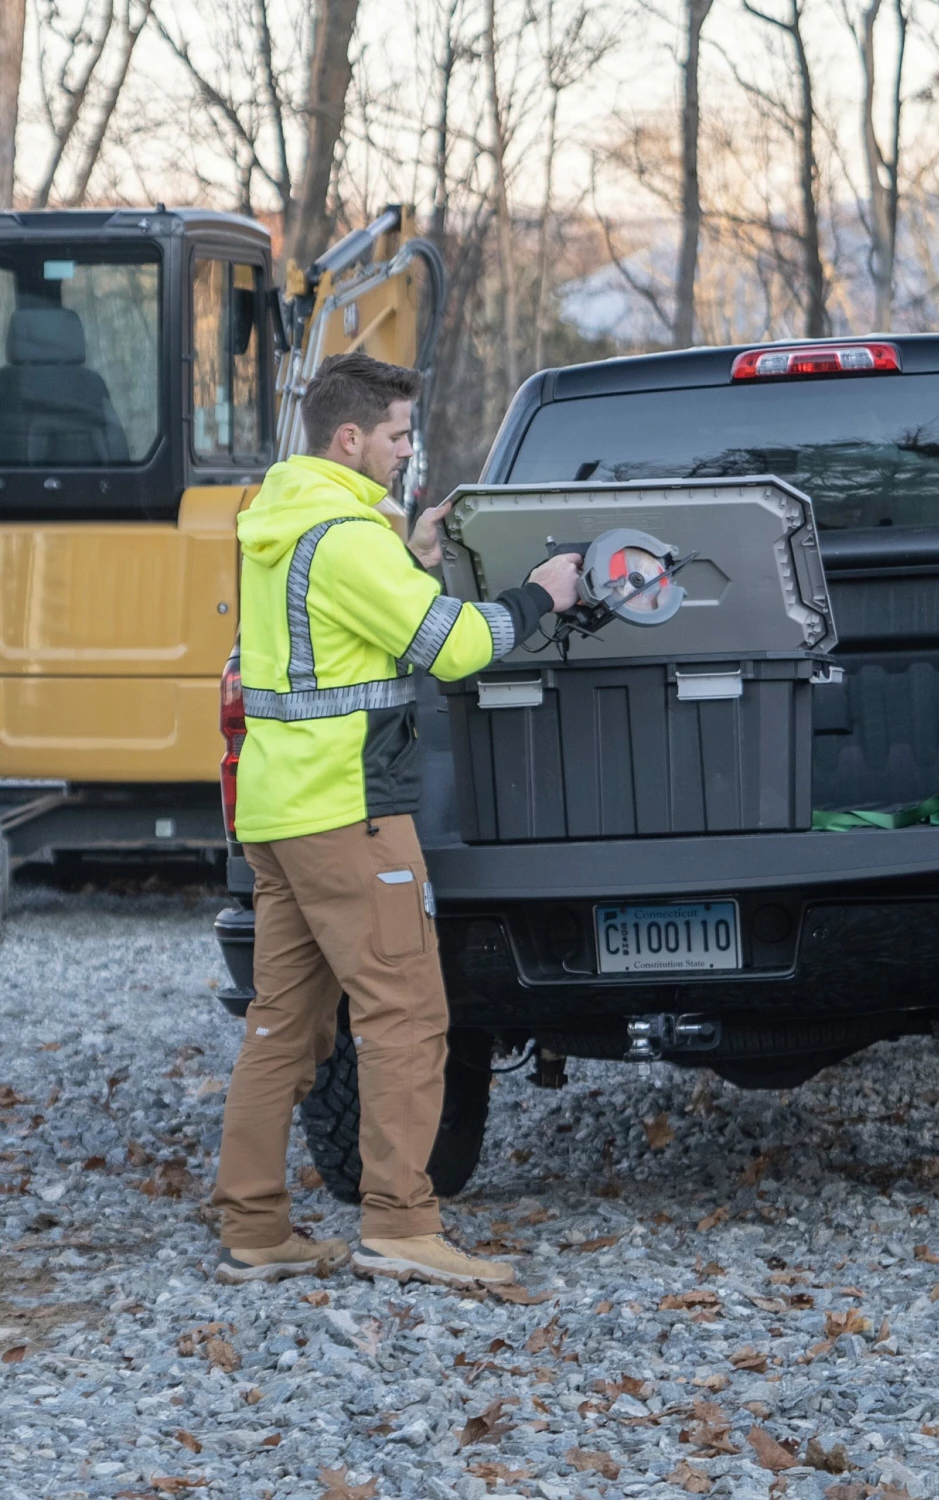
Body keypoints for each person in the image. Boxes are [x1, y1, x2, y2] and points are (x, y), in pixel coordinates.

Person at [210, 351, 581, 1289]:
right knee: (407, 1014)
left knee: (283, 1027)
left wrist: (409, 558)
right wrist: (546, 595)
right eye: (398, 435)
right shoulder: (347, 538)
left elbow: (328, 635)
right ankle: (403, 1225)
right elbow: (453, 648)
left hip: (279, 810)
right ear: (351, 437)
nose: (407, 452)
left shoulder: (281, 522)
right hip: (351, 812)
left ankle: (253, 1226)